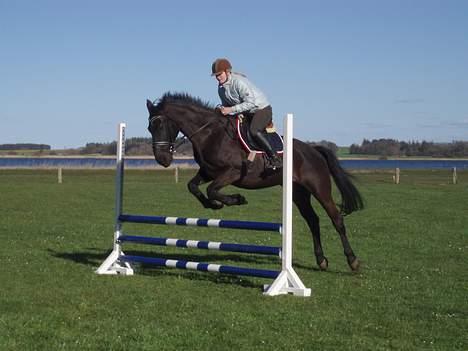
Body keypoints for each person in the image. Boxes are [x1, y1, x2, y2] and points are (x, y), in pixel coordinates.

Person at [211, 58, 282, 170]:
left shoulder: (238, 82)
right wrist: (223, 109)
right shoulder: (221, 89)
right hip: (247, 113)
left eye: (219, 74)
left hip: (261, 109)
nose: (217, 77)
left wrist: (231, 110)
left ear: (227, 71)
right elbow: (227, 106)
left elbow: (251, 103)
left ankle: (275, 158)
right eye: (216, 75)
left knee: (254, 130)